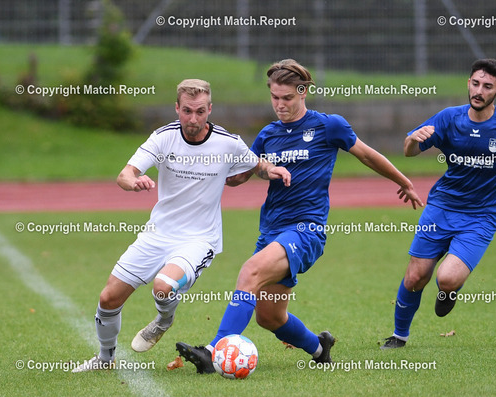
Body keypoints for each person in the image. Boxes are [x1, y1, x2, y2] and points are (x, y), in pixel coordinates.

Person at [176, 59, 424, 373]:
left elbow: (367, 155)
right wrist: (214, 171)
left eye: (287, 98)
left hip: (306, 230)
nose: (280, 104)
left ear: (303, 92)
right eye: (274, 97)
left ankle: (213, 352)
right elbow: (245, 173)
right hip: (271, 230)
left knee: (250, 271)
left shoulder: (329, 126)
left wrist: (404, 181)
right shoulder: (268, 135)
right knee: (270, 317)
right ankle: (320, 348)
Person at [72, 79, 290, 372]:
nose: (193, 119)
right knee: (108, 298)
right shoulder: (163, 138)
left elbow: (255, 165)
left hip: (199, 239)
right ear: (177, 108)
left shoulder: (227, 142)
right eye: (187, 111)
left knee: (163, 287)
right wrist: (133, 182)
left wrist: (271, 169)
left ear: (209, 109)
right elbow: (125, 174)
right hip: (157, 233)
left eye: (200, 111)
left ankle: (163, 320)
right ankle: (104, 359)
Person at [380, 59, 496, 349]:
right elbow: (409, 151)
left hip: (482, 216)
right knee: (415, 276)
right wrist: (413, 140)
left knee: (447, 279)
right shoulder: (448, 118)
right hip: (441, 208)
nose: (479, 91)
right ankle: (399, 336)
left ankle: (449, 291)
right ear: (468, 83)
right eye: (475, 83)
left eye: (487, 86)